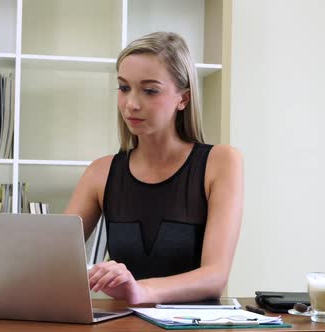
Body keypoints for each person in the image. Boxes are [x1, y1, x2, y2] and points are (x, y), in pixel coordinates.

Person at [64, 32, 243, 305]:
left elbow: (214, 277)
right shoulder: (100, 172)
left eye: (150, 90)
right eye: (124, 88)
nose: (131, 104)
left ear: (183, 98)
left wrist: (140, 290)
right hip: (122, 325)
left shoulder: (221, 162)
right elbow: (54, 261)